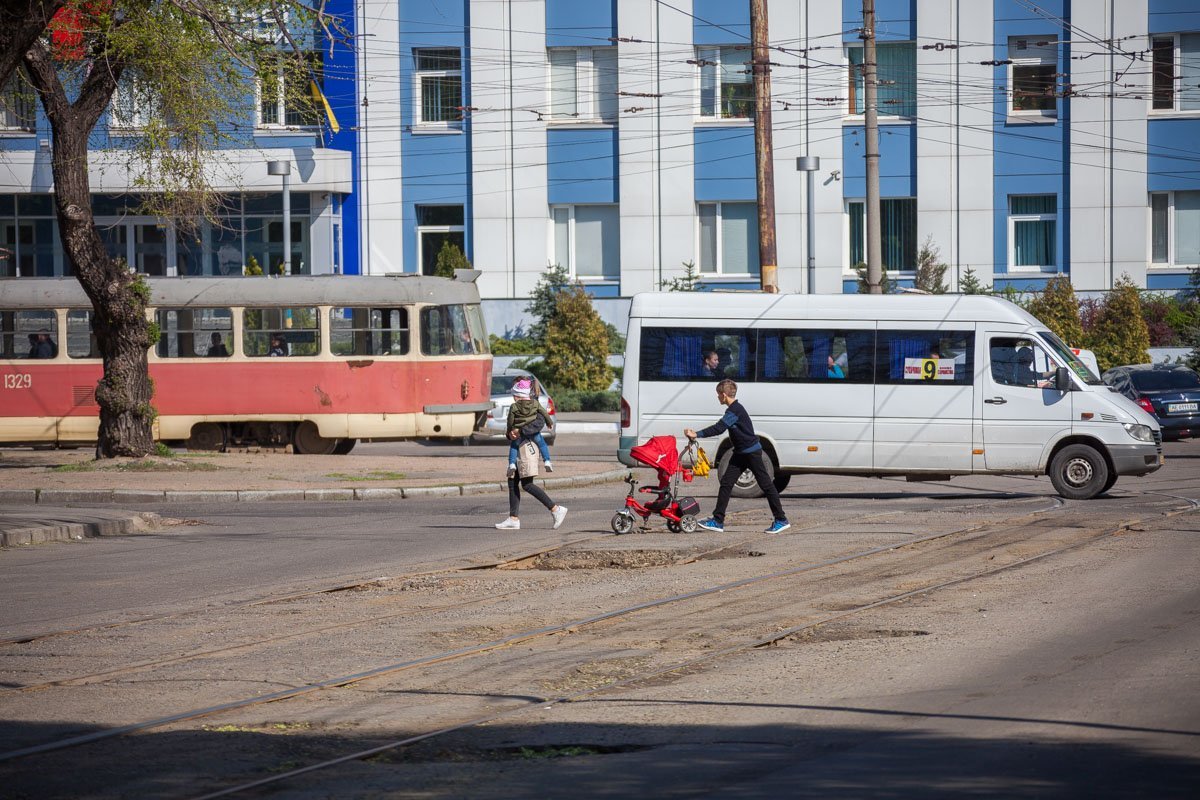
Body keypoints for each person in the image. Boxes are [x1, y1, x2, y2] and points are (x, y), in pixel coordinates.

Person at [684, 379, 790, 534]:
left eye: (718, 395)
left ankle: (781, 519)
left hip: (751, 453)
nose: (717, 398)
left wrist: (696, 434)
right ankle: (717, 521)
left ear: (724, 394)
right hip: (741, 453)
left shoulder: (735, 410)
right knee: (726, 483)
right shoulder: (734, 409)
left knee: (766, 485)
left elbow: (719, 428)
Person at [495, 426, 568, 531]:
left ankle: (555, 509)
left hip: (527, 448)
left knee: (527, 484)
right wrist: (510, 433)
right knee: (512, 482)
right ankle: (513, 519)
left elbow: (539, 422)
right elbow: (512, 422)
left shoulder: (535, 410)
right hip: (519, 448)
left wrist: (519, 430)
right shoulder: (517, 409)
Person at [506, 377, 553, 477]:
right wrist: (549, 422)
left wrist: (510, 430)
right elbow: (544, 413)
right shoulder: (535, 403)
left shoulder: (514, 406)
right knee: (542, 444)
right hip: (534, 434)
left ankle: (511, 464)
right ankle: (547, 461)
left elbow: (510, 420)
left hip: (519, 432)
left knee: (514, 446)